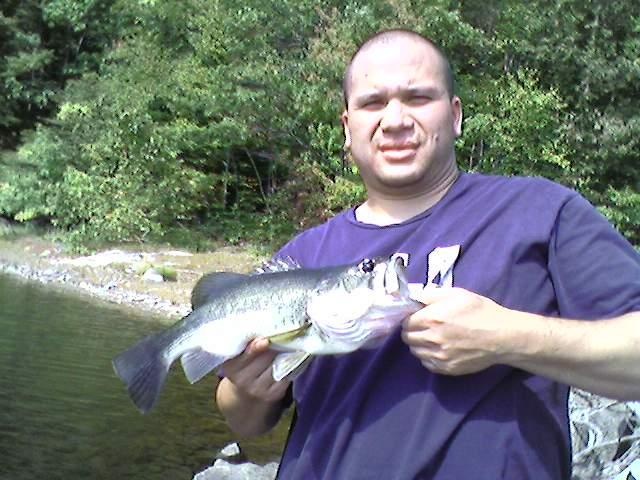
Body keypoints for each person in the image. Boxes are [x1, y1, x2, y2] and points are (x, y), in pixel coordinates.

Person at [215, 29, 640, 479]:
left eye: (418, 98)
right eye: (372, 103)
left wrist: (509, 338)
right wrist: (249, 389)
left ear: (455, 116)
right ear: (347, 127)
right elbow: (244, 421)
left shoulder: (542, 212)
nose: (395, 120)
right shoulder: (302, 257)